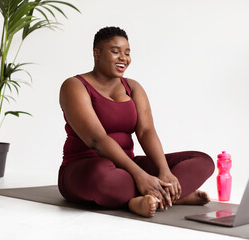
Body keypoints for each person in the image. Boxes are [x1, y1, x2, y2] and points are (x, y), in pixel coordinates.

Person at [58, 26, 215, 217]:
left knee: (202, 161)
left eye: (127, 53)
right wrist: (140, 175)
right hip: (86, 168)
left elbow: (146, 131)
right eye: (115, 52)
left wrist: (164, 171)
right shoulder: (74, 86)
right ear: (96, 53)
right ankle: (173, 196)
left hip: (128, 166)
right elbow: (97, 140)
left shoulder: (133, 87)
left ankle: (152, 197)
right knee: (103, 176)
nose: (123, 58)